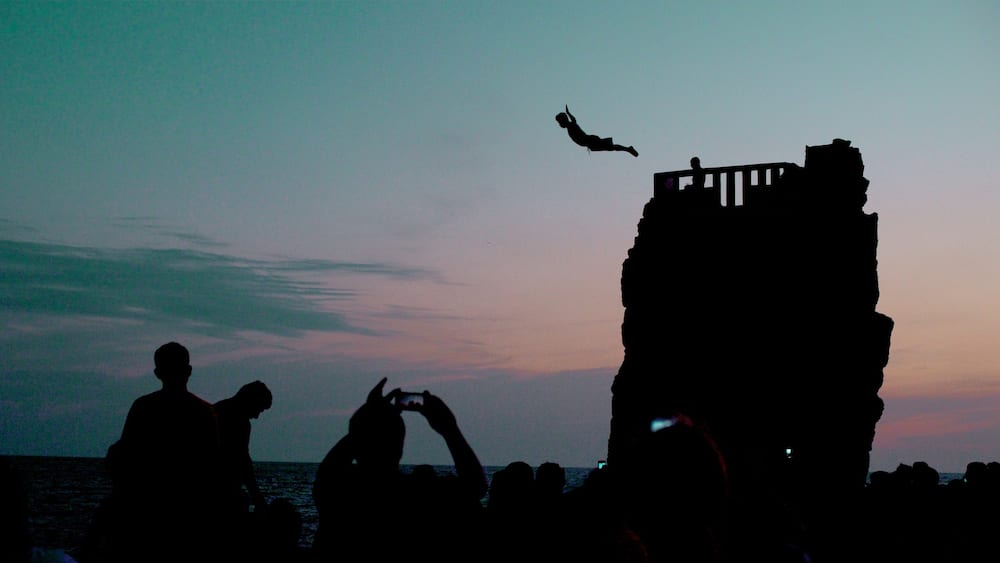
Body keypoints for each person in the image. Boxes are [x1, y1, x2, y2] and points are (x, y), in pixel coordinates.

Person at [311, 377, 488, 563]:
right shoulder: (420, 494)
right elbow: (475, 487)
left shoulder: (339, 492)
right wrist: (449, 429)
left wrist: (369, 415)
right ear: (400, 447)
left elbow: (328, 471)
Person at [101, 342, 224, 563]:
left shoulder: (143, 407)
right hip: (187, 514)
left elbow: (123, 454)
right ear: (188, 371)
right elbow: (213, 467)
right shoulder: (203, 412)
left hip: (145, 513)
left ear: (158, 373)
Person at [214, 381, 272, 514]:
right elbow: (243, 462)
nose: (257, 416)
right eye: (259, 409)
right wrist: (257, 498)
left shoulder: (216, 410)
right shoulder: (240, 423)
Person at [556, 105, 638, 157]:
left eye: (560, 122)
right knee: (611, 147)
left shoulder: (571, 126)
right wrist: (569, 113)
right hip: (590, 144)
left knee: (611, 147)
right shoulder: (570, 126)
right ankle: (628, 149)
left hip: (591, 141)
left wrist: (569, 113)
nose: (559, 124)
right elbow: (574, 120)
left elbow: (574, 121)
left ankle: (628, 149)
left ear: (563, 121)